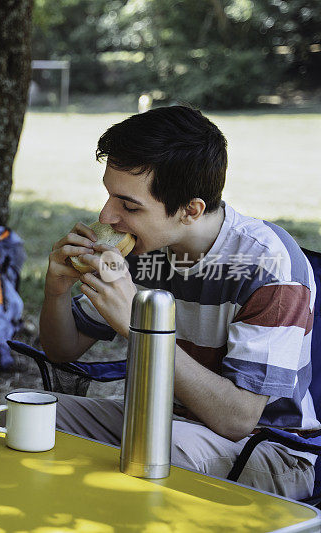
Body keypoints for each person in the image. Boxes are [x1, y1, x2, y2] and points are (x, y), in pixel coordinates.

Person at [41, 105, 318, 499]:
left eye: (129, 205)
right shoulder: (142, 253)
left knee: (155, 454)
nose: (107, 215)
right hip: (161, 421)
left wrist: (139, 325)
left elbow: (238, 418)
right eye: (109, 196)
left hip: (269, 451)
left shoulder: (269, 267)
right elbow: (62, 349)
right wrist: (56, 290)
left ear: (191, 210)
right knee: (26, 412)